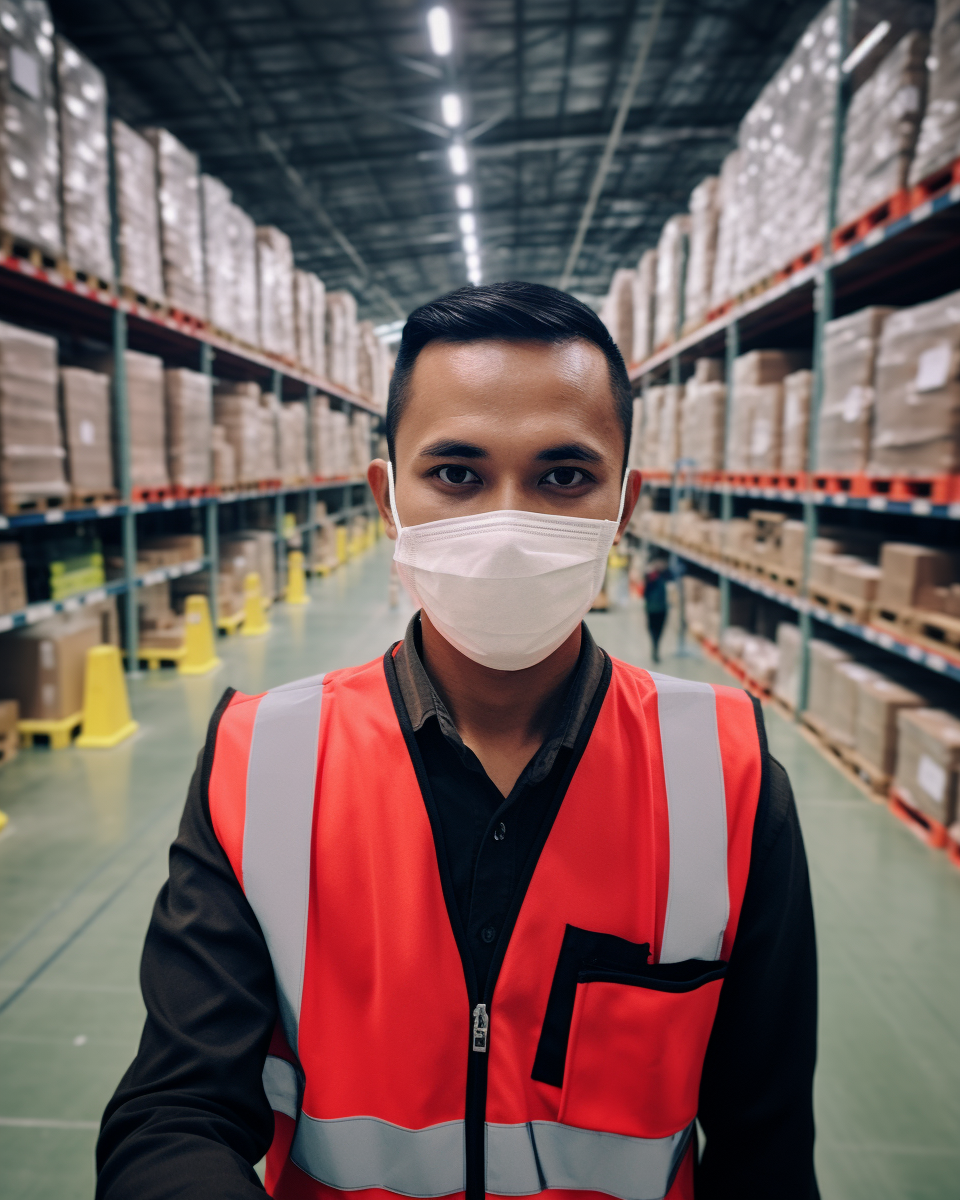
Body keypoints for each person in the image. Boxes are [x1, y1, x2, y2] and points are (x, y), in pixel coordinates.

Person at [96, 282, 819, 1200]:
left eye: (564, 477)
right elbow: (174, 1113)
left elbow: (766, 1151)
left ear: (624, 505)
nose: (506, 529)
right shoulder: (262, 762)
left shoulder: (729, 778)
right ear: (387, 498)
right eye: (457, 475)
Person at [643, 555, 672, 663]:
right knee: (654, 629)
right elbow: (646, 592)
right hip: (655, 609)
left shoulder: (663, 576)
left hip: (658, 608)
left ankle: (655, 646)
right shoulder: (652, 577)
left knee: (656, 629)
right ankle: (655, 646)